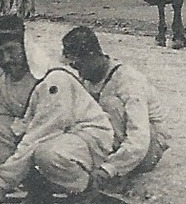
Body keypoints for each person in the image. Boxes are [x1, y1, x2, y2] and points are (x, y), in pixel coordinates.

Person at [0, 16, 115, 204]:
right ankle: (38, 189)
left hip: (85, 138)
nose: (6, 59)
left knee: (46, 154)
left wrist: (1, 184)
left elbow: (40, 135)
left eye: (11, 50)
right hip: (48, 140)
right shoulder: (3, 85)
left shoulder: (53, 79)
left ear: (25, 49)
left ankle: (86, 188)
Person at [61, 26, 169, 190]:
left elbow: (139, 137)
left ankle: (117, 170)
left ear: (92, 56)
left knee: (109, 105)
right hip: (117, 142)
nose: (78, 72)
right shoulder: (88, 79)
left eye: (79, 65)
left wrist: (110, 169)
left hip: (148, 147)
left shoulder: (127, 81)